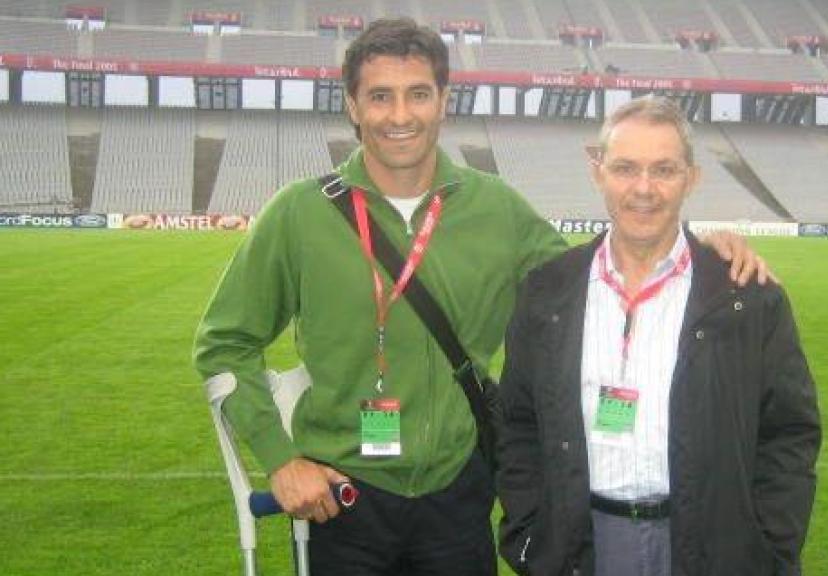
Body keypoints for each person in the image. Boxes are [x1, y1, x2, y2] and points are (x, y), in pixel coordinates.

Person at [194, 19, 771, 576]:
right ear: (352, 105)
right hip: (343, 499)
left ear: (444, 100)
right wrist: (278, 457)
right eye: (380, 97)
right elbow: (224, 343)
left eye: (418, 94)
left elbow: (596, 279)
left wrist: (699, 249)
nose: (400, 116)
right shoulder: (299, 213)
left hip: (459, 497)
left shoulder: (496, 208)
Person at [496, 96, 821, 576]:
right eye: (625, 168)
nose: (643, 188)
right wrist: (530, 529)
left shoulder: (748, 298)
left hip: (706, 544)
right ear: (598, 172)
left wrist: (768, 544)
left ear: (691, 178)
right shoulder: (548, 291)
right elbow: (517, 424)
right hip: (581, 544)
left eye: (663, 170)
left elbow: (789, 432)